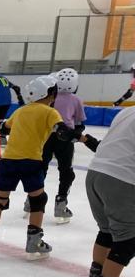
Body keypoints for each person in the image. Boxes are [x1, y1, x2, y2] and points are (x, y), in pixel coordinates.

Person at [0, 75, 74, 261]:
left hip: (8, 162)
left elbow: (4, 129)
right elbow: (62, 131)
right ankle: (34, 242)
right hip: (31, 161)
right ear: (50, 94)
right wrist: (77, 135)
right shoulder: (50, 112)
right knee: (38, 200)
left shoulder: (21, 111)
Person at [81, 104, 135, 277]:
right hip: (120, 178)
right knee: (129, 236)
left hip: (96, 174)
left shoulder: (128, 111)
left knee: (107, 231)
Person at [22, 68, 88, 224]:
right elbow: (79, 123)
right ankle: (61, 203)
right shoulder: (76, 100)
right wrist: (76, 134)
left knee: (41, 168)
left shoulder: (50, 98)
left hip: (46, 137)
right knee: (66, 171)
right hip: (65, 139)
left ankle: (31, 201)